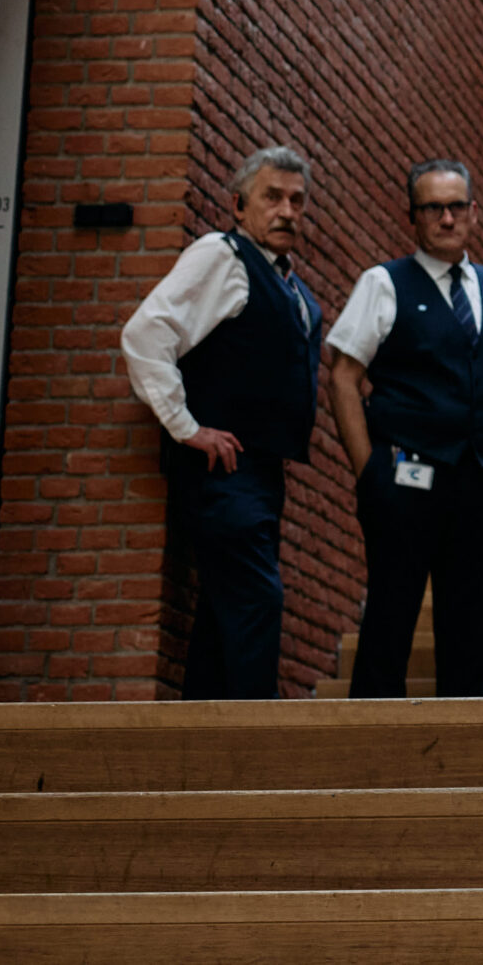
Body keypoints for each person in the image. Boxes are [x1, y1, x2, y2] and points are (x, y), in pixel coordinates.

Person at [325, 159, 483, 698]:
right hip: (404, 477)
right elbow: (343, 375)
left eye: (456, 206)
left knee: (469, 628)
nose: (446, 218)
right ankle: (369, 756)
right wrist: (370, 472)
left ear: (474, 212)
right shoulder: (384, 283)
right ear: (414, 217)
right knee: (390, 617)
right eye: (433, 208)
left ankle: (461, 764)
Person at [119, 146, 324, 699]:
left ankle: (196, 749)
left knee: (221, 615)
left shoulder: (291, 284)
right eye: (273, 197)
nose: (287, 211)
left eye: (298, 202)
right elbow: (145, 335)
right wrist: (186, 427)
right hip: (222, 472)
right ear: (238, 204)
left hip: (262, 474)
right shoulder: (223, 255)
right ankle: (256, 749)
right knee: (258, 602)